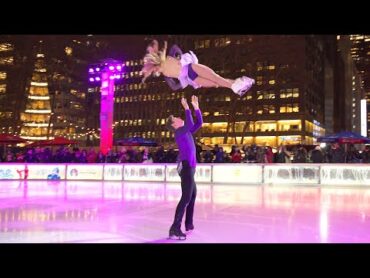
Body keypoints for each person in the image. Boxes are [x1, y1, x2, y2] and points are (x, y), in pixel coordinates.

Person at [142, 40, 255, 97]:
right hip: (191, 78)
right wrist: (181, 82)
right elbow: (175, 87)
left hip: (191, 68)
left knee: (216, 78)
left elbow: (175, 48)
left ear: (156, 64)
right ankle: (237, 84)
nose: (155, 71)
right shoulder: (166, 76)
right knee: (216, 83)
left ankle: (236, 85)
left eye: (154, 69)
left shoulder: (167, 58)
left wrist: (180, 58)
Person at [165, 95, 203, 240]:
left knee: (192, 196)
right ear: (174, 125)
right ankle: (175, 227)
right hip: (186, 167)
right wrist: (187, 108)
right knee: (186, 197)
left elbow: (199, 122)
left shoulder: (186, 131)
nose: (179, 118)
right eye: (176, 118)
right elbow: (189, 122)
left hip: (190, 168)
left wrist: (196, 107)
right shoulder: (179, 132)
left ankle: (188, 223)